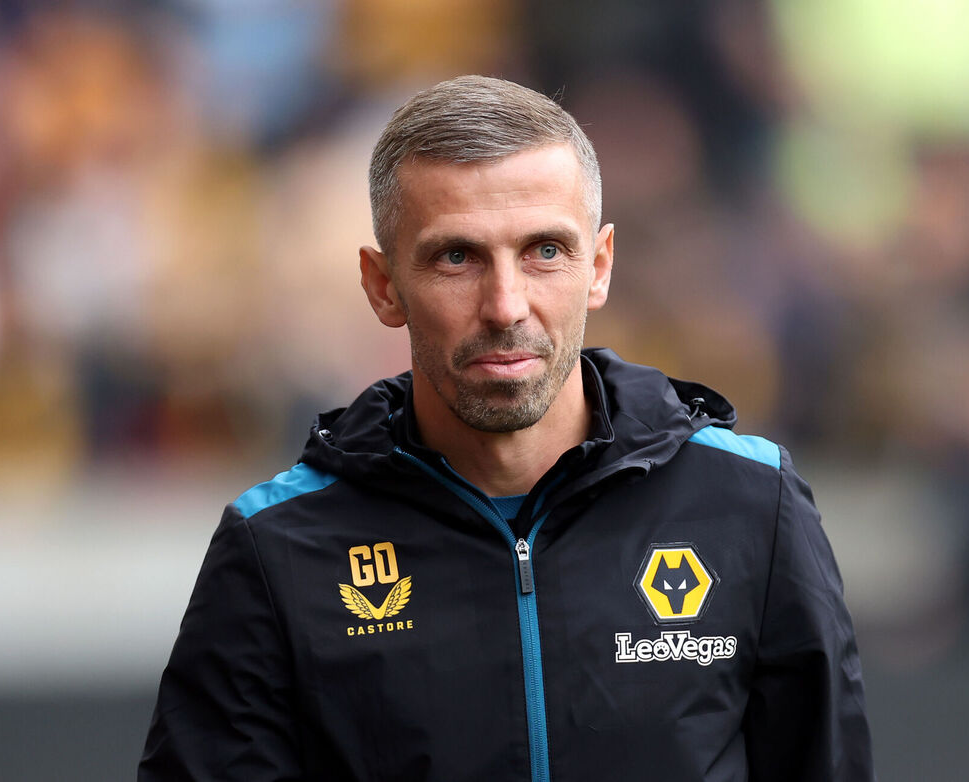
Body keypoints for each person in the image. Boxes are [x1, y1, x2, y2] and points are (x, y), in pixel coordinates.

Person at [139, 75, 873, 781]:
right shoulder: (277, 549)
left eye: (545, 251)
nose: (506, 306)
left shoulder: (751, 504)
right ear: (383, 285)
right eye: (457, 257)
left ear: (599, 266)